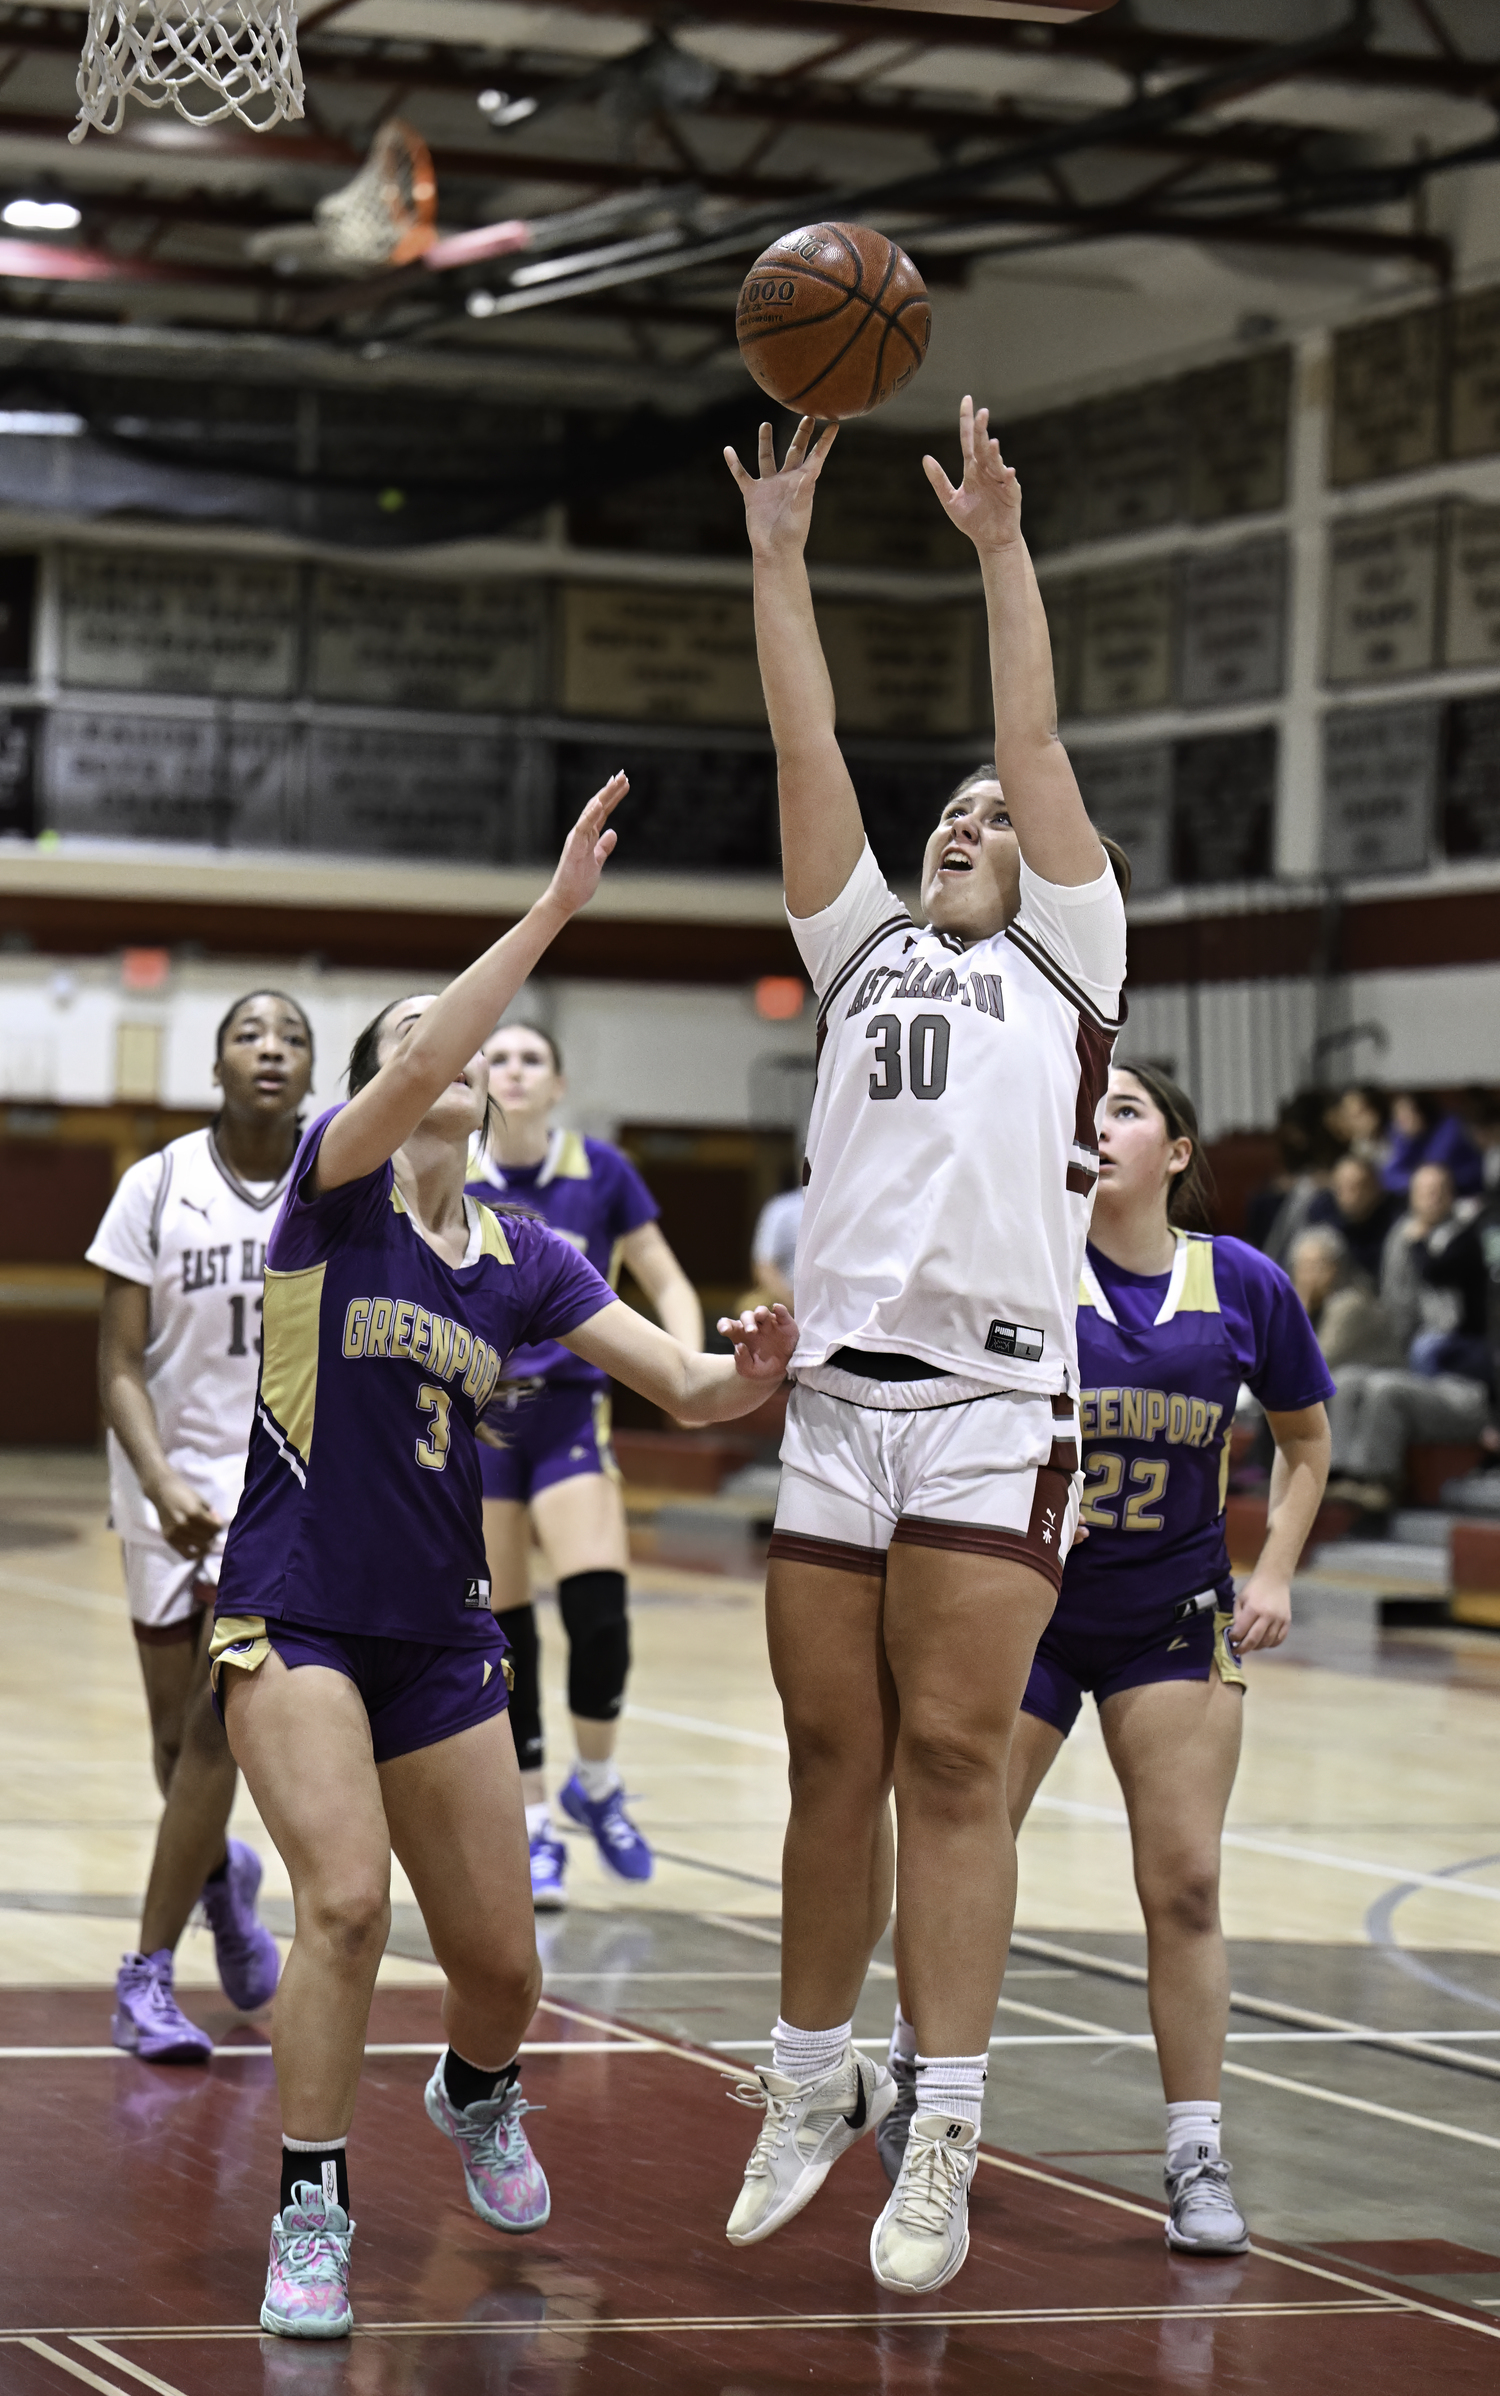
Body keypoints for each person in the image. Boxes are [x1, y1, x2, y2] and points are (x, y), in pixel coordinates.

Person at [207, 776, 797, 2340]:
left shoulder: (524, 1258)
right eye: (418, 1038)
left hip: (443, 1639)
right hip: (296, 1614)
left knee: (504, 1970)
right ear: (387, 1082)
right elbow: (435, 1055)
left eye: (447, 1038)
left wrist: (763, 1362)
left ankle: (476, 2093)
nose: (444, 1055)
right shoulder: (324, 1198)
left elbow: (686, 1389)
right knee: (343, 1904)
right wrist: (550, 913)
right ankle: (315, 2210)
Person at [717, 398, 1126, 2296]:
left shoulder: (1068, 957)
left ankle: (945, 2119)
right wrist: (780, 560)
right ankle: (812, 2081)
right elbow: (807, 743)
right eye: (948, 812)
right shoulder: (864, 952)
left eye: (989, 818)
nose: (969, 821)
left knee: (956, 1757)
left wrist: (998, 552)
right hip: (835, 1408)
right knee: (828, 1750)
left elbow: (1029, 735)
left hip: (990, 1403)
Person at [875, 1066, 1332, 2257]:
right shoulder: (1019, 1266)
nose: (1103, 1126)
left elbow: (1305, 1441)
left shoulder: (1243, 1281)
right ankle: (927, 2078)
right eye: (1090, 1110)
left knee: (1183, 1881)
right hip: (1019, 1606)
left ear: (1179, 1149)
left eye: (1127, 1110)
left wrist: (1273, 1569)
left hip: (1171, 1612)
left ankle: (1193, 2149)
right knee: (961, 1845)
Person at [89, 991, 316, 2062]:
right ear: (216, 1064)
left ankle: (142, 1974)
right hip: (163, 1491)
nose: (270, 1049)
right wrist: (159, 1476)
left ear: (315, 1070)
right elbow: (117, 1362)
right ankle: (222, 1882)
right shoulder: (159, 1182)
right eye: (247, 1034)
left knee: (219, 1727)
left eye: (292, 1037)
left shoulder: (339, 1177)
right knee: (179, 1744)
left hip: (275, 1495)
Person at [465, 1020, 703, 1906]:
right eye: (501, 1059)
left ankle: (595, 1785)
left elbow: (667, 1278)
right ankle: (532, 1827)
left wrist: (685, 1370)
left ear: (559, 1084)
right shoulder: (458, 1169)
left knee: (601, 1611)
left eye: (533, 1059)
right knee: (507, 1634)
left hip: (569, 1413)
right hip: (478, 1421)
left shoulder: (601, 1171)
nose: (515, 1072)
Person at [1306, 1154, 1400, 1286]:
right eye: (1343, 1187)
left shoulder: (1394, 1221)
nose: (1352, 1195)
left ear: (1376, 1189)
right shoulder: (1320, 1217)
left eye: (1360, 1186)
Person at [1383, 1090, 1483, 1199]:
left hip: (1467, 1193)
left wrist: (1417, 1182)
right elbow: (1388, 1177)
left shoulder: (1449, 1128)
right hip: (1433, 1196)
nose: (1401, 1123)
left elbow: (1433, 1172)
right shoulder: (1402, 1136)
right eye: (1397, 1117)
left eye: (1407, 1116)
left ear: (1422, 1112)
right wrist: (1406, 1142)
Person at [750, 1181, 805, 1310]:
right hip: (789, 1303)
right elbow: (764, 1266)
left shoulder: (850, 1207)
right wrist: (795, 1307)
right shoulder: (782, 1208)